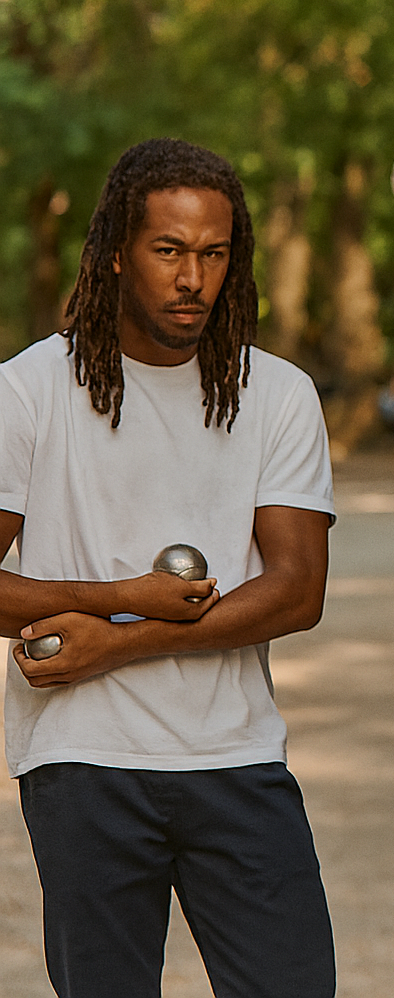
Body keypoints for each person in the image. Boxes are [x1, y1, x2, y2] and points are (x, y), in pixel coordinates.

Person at [0, 138, 336, 998]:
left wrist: (117, 640)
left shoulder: (278, 395)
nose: (194, 277)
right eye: (170, 250)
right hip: (83, 761)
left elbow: (296, 591)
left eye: (214, 254)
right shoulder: (29, 392)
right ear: (117, 250)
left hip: (235, 754)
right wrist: (123, 597)